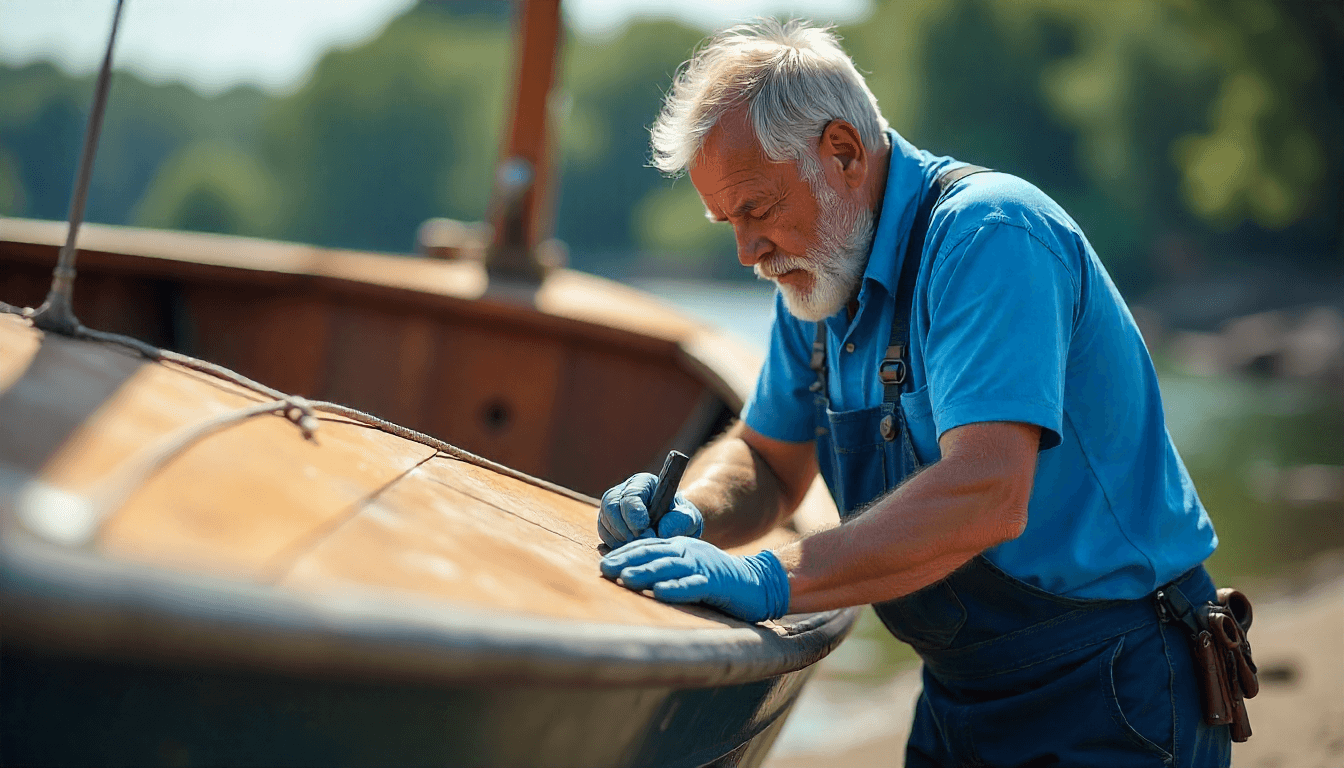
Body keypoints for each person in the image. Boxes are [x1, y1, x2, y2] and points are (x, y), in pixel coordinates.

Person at [596, 19, 1232, 766]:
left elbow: (988, 490)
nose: (746, 251)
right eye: (727, 222)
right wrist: (692, 511)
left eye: (756, 209)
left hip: (1115, 686)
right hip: (961, 691)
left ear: (842, 153)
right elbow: (768, 462)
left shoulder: (989, 236)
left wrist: (771, 578)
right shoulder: (813, 272)